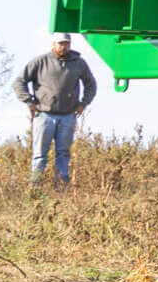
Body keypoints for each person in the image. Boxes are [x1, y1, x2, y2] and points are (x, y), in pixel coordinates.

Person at [18, 33, 98, 189]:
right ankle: (35, 187)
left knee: (63, 154)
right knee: (40, 154)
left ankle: (61, 187)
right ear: (53, 44)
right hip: (44, 115)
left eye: (67, 43)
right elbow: (19, 81)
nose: (64, 47)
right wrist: (29, 101)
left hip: (68, 116)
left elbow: (90, 84)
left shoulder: (78, 63)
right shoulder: (40, 61)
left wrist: (84, 103)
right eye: (61, 43)